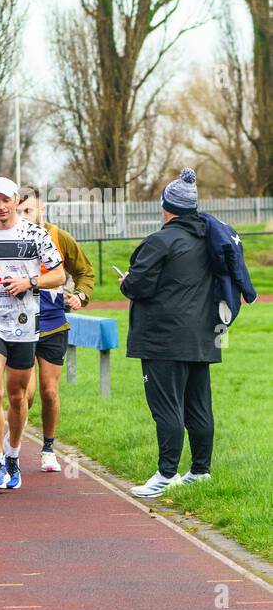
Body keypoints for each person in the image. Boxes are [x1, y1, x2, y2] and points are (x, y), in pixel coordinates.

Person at [120, 169, 221, 498]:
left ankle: (165, 474)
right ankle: (200, 471)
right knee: (199, 407)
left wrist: (125, 283)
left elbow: (138, 285)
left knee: (166, 408)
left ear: (167, 207)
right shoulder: (209, 239)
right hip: (202, 336)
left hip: (162, 339)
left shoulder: (160, 240)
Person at [0, 177, 65, 492]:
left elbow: (59, 275)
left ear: (14, 200)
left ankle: (13, 454)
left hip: (24, 321)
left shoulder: (35, 235)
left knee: (17, 396)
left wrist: (30, 282)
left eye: (4, 200)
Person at [18, 188, 95, 472]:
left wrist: (80, 296)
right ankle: (13, 446)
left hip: (52, 324)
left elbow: (84, 272)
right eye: (19, 211)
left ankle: (48, 448)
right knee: (24, 393)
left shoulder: (59, 237)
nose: (23, 217)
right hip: (19, 326)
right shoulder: (7, 238)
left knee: (49, 391)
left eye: (29, 211)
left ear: (42, 210)